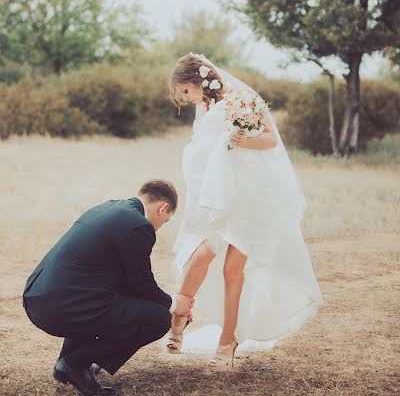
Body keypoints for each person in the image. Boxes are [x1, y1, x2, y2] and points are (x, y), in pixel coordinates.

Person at [167, 53, 323, 369]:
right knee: (199, 257)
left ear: (197, 79)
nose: (186, 98)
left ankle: (228, 341)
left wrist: (243, 141)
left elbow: (269, 140)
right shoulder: (206, 106)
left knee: (231, 271)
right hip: (218, 198)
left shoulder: (243, 100)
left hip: (248, 199)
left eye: (185, 90)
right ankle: (179, 318)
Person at [23, 179, 194, 396]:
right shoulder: (139, 225)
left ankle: (69, 364)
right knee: (158, 319)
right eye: (166, 220)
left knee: (113, 301)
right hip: (63, 305)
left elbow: (127, 284)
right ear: (163, 208)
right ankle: (74, 363)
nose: (161, 226)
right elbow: (142, 285)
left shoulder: (108, 207)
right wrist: (174, 304)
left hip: (38, 297)